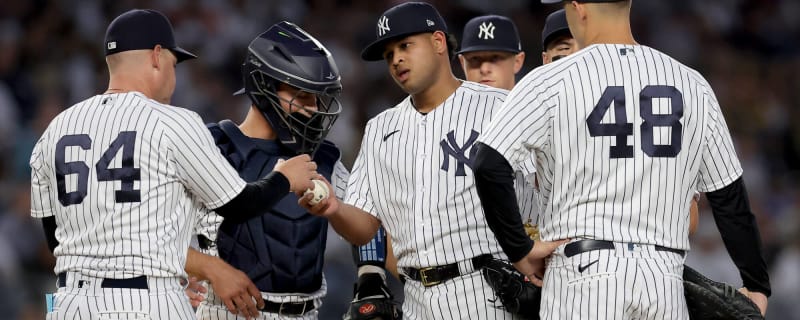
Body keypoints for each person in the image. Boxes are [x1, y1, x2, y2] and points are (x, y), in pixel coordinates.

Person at [471, 1, 770, 319]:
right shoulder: (692, 83)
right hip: (663, 281)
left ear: (578, 8)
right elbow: (729, 198)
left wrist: (520, 250)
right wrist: (756, 284)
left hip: (582, 277)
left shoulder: (550, 80)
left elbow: (488, 162)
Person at [30, 9, 318, 319]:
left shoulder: (56, 128)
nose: (174, 73)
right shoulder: (173, 122)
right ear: (156, 56)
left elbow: (54, 237)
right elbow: (239, 205)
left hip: (69, 304)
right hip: (146, 304)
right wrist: (284, 178)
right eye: (173, 61)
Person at [300, 2, 555, 319]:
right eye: (389, 54)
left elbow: (551, 186)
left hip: (488, 291)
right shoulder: (380, 128)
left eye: (405, 45)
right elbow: (365, 228)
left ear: (438, 42)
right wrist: (333, 209)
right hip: (416, 298)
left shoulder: (500, 106)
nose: (396, 60)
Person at [184, 21, 350, 320]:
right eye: (301, 95)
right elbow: (148, 233)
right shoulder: (213, 146)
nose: (312, 109)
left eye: (316, 98)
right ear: (264, 87)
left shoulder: (324, 157)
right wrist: (194, 270)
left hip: (309, 314)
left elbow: (371, 225)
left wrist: (373, 277)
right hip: (227, 312)